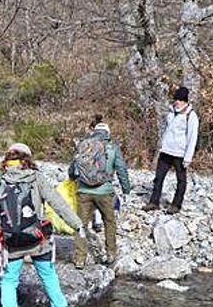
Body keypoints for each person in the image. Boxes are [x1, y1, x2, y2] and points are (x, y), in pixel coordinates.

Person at [0, 143, 84, 307]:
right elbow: (57, 202)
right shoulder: (36, 178)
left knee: (9, 281)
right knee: (48, 275)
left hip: (12, 241)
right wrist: (77, 224)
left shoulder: (0, 180)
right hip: (37, 238)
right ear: (28, 158)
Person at [70, 120, 131, 269]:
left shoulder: (84, 145)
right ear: (108, 133)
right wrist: (126, 189)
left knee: (80, 225)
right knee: (109, 221)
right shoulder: (112, 147)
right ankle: (111, 253)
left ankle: (80, 258)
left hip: (84, 191)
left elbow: (72, 170)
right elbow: (121, 169)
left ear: (94, 132)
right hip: (105, 191)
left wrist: (74, 180)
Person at [144, 86, 199, 214]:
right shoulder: (171, 113)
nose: (176, 102)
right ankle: (154, 202)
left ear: (185, 101)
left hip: (180, 154)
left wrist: (188, 157)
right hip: (166, 151)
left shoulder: (191, 116)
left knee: (181, 180)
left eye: (179, 100)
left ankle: (176, 204)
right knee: (158, 178)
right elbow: (166, 131)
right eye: (176, 99)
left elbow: (192, 138)